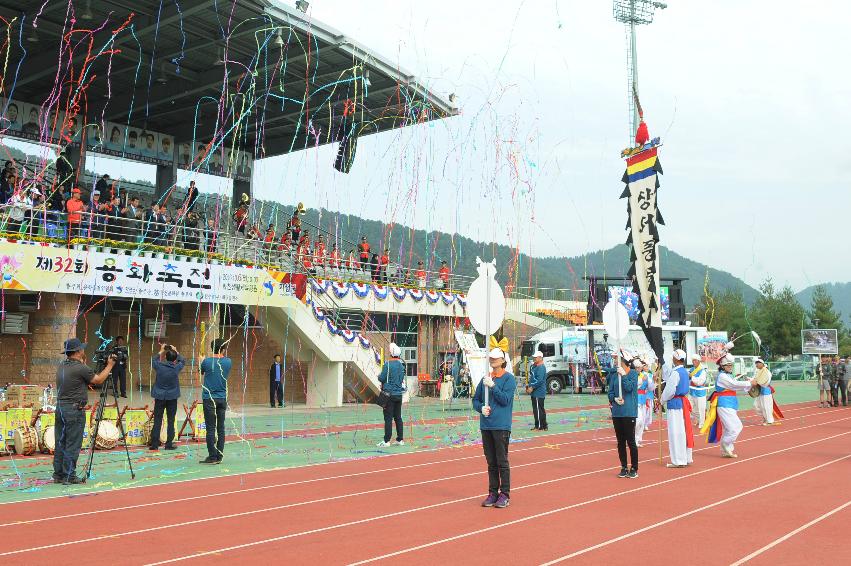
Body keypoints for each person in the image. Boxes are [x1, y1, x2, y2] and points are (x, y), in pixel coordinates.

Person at [53, 338, 115, 484]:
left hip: (61, 408)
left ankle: (59, 474)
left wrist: (83, 362)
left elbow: (80, 377)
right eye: (81, 349)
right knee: (73, 443)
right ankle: (69, 475)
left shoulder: (63, 365)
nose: (83, 350)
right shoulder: (80, 368)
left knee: (61, 442)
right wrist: (110, 365)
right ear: (77, 351)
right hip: (74, 410)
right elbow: (98, 380)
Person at [473, 347, 516, 508]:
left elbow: (505, 399)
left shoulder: (509, 379)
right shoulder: (485, 378)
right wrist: (480, 408)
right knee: (491, 461)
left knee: (501, 461)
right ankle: (493, 492)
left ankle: (504, 493)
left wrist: (493, 386)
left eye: (496, 358)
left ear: (503, 360)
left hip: (501, 425)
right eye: (491, 358)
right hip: (486, 425)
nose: (492, 361)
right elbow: (475, 400)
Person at [701, 354, 757, 458]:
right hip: (725, 404)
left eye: (731, 365)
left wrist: (748, 385)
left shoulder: (728, 375)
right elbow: (733, 385)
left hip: (730, 403)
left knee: (729, 428)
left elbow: (734, 385)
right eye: (728, 365)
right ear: (722, 366)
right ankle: (725, 444)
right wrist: (749, 383)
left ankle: (726, 450)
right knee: (736, 427)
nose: (730, 367)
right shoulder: (722, 376)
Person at [660, 349, 694, 468]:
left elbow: (670, 390)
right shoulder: (684, 371)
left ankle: (678, 460)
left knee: (676, 432)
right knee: (683, 431)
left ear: (675, 359)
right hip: (682, 402)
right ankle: (685, 457)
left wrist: (662, 400)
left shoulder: (676, 373)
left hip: (675, 404)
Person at [200, 339, 231, 464]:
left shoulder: (207, 362)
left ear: (212, 348)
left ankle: (212, 456)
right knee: (221, 428)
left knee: (211, 428)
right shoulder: (228, 361)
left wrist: (200, 361)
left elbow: (201, 372)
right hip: (222, 398)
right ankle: (220, 455)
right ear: (223, 349)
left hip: (209, 398)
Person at [608, 355, 639, 478]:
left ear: (624, 362)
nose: (615, 363)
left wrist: (624, 376)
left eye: (617, 361)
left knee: (630, 441)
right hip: (617, 413)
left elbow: (629, 388)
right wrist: (614, 399)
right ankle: (624, 466)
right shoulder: (614, 375)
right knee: (620, 442)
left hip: (629, 412)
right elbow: (610, 392)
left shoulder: (632, 374)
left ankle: (634, 468)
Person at [150, 344, 185, 450]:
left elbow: (153, 360)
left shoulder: (159, 366)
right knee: (171, 420)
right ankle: (169, 444)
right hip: (172, 397)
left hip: (160, 397)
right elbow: (183, 361)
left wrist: (161, 350)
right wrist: (176, 351)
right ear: (175, 360)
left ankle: (154, 444)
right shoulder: (176, 368)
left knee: (157, 420)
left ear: (165, 357)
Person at [377, 343, 406, 447]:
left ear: (391, 353)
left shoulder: (387, 364)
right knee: (398, 417)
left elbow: (381, 378)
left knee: (388, 418)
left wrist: (379, 376)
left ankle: (386, 441)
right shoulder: (401, 365)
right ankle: (400, 439)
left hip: (389, 395)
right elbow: (401, 378)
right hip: (399, 395)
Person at [753, 357, 782, 425]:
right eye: (756, 363)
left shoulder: (767, 372)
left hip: (766, 391)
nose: (756, 365)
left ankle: (770, 421)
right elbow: (754, 380)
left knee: (766, 406)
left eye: (758, 363)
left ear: (762, 364)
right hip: (759, 392)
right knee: (756, 406)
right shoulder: (757, 371)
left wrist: (758, 383)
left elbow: (766, 382)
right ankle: (765, 418)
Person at [526, 350, 548, 431]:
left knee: (538, 409)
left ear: (540, 358)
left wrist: (532, 387)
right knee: (540, 409)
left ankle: (539, 426)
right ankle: (544, 425)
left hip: (538, 392)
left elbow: (539, 380)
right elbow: (533, 377)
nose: (534, 358)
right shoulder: (536, 366)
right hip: (537, 391)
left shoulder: (541, 367)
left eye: (536, 357)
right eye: (534, 357)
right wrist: (529, 385)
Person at [634, 358, 653, 447]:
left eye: (639, 367)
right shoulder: (632, 375)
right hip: (635, 400)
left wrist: (651, 381)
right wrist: (642, 380)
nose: (639, 369)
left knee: (642, 421)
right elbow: (634, 386)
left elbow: (651, 388)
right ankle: (632, 439)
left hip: (643, 400)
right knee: (638, 420)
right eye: (637, 367)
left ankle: (637, 439)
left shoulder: (645, 375)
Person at [689, 353, 709, 429]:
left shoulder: (702, 371)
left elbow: (699, 382)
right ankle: (700, 419)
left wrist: (692, 377)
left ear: (698, 361)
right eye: (692, 360)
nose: (693, 362)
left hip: (700, 392)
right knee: (690, 408)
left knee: (701, 409)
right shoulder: (691, 369)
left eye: (695, 360)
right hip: (692, 391)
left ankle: (702, 423)